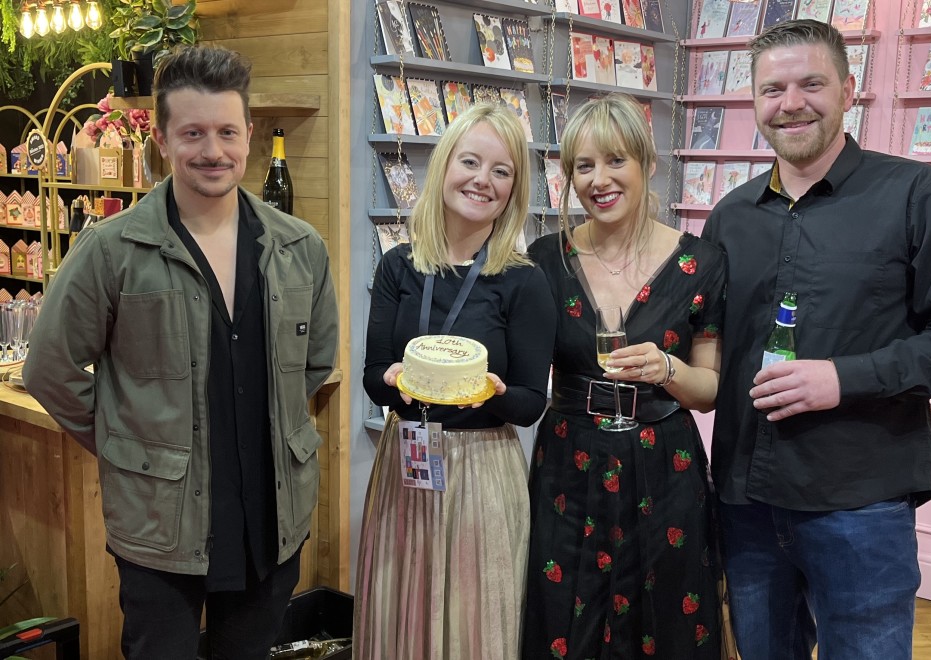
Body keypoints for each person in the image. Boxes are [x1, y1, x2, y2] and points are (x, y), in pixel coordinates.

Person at [701, 19, 931, 660]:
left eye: (810, 83)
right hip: (746, 499)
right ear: (754, 101)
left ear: (848, 88)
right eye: (772, 89)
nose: (791, 104)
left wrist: (844, 377)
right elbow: (708, 347)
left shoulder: (922, 197)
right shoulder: (730, 216)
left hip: (860, 504)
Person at [23, 45, 339, 660]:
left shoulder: (300, 247)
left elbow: (317, 362)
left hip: (271, 522)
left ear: (249, 134)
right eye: (192, 133)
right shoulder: (113, 251)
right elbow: (49, 368)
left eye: (226, 131)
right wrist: (126, 442)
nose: (212, 151)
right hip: (160, 528)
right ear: (163, 141)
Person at [524, 93, 727, 659]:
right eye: (583, 166)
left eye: (615, 161)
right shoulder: (545, 259)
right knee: (563, 619)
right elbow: (519, 374)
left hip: (664, 465)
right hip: (568, 463)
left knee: (664, 625)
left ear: (647, 164)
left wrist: (667, 369)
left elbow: (709, 392)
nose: (599, 179)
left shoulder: (701, 263)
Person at [356, 103, 556, 660]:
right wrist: (393, 380)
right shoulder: (398, 266)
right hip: (405, 461)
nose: (482, 180)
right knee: (401, 611)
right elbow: (375, 375)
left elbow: (530, 402)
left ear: (514, 189)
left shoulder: (523, 281)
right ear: (444, 166)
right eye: (471, 161)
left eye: (502, 171)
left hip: (482, 471)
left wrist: (494, 391)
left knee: (474, 624)